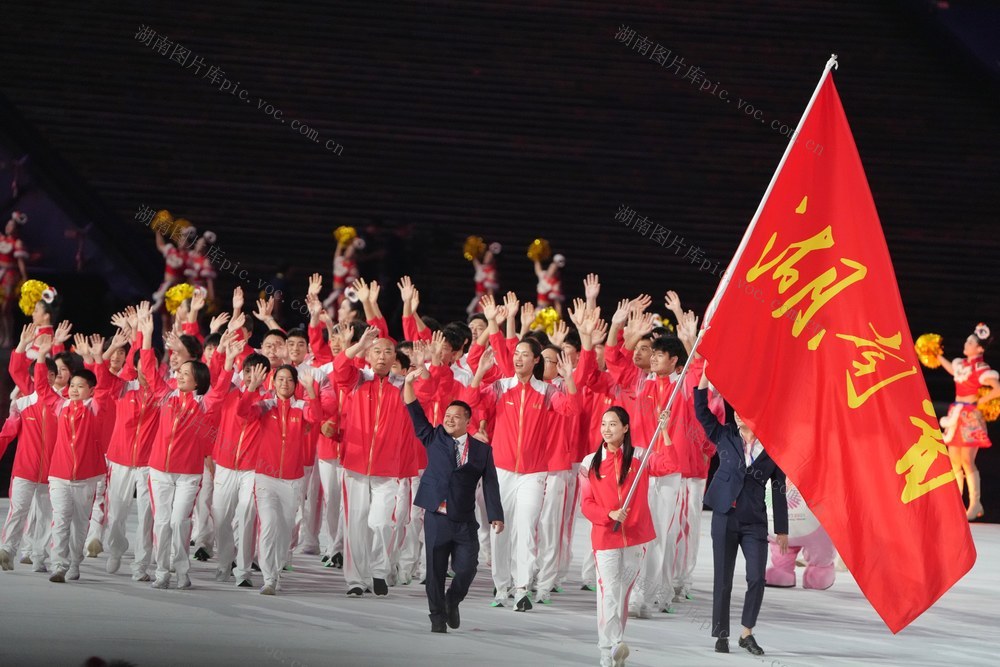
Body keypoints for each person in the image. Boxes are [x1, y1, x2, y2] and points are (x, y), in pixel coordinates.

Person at [694, 363, 789, 656]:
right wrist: (705, 377)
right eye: (736, 410)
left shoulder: (774, 449)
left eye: (744, 410)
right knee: (722, 579)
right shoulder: (725, 436)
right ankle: (721, 633)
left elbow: (778, 488)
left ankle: (747, 632)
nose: (737, 413)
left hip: (754, 522)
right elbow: (701, 411)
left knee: (756, 578)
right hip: (724, 516)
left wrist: (782, 530)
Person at [402, 368, 504, 633]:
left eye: (455, 417)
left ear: (467, 421)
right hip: (436, 516)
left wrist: (496, 514)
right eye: (446, 416)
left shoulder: (481, 450)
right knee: (434, 572)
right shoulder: (433, 437)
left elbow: (490, 482)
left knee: (468, 567)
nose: (449, 420)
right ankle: (436, 616)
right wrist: (409, 383)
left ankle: (452, 600)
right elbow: (414, 410)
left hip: (464, 519)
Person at [580, 406, 658, 667]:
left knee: (622, 594)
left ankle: (615, 646)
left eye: (613, 424)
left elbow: (669, 464)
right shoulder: (590, 462)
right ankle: (609, 648)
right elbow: (586, 503)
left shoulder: (640, 457)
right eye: (604, 424)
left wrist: (666, 432)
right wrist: (608, 514)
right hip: (605, 538)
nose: (607, 429)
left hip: (635, 538)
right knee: (609, 593)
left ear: (625, 428)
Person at [239, 363, 321, 595]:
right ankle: (268, 578)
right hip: (266, 477)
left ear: (296, 385)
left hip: (292, 480)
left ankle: (276, 573)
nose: (284, 383)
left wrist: (311, 392)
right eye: (280, 379)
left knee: (284, 531)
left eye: (289, 380)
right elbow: (243, 412)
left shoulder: (302, 407)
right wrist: (252, 388)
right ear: (273, 383)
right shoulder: (265, 406)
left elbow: (316, 417)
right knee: (268, 526)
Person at [936, 323, 998, 520]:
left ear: (979, 349)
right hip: (956, 414)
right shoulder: (961, 365)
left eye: (970, 342)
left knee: (967, 461)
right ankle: (955, 505)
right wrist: (935, 355)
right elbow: (952, 371)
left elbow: (997, 388)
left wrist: (982, 401)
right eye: (967, 341)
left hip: (970, 416)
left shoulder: (982, 368)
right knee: (953, 461)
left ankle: (975, 503)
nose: (966, 343)